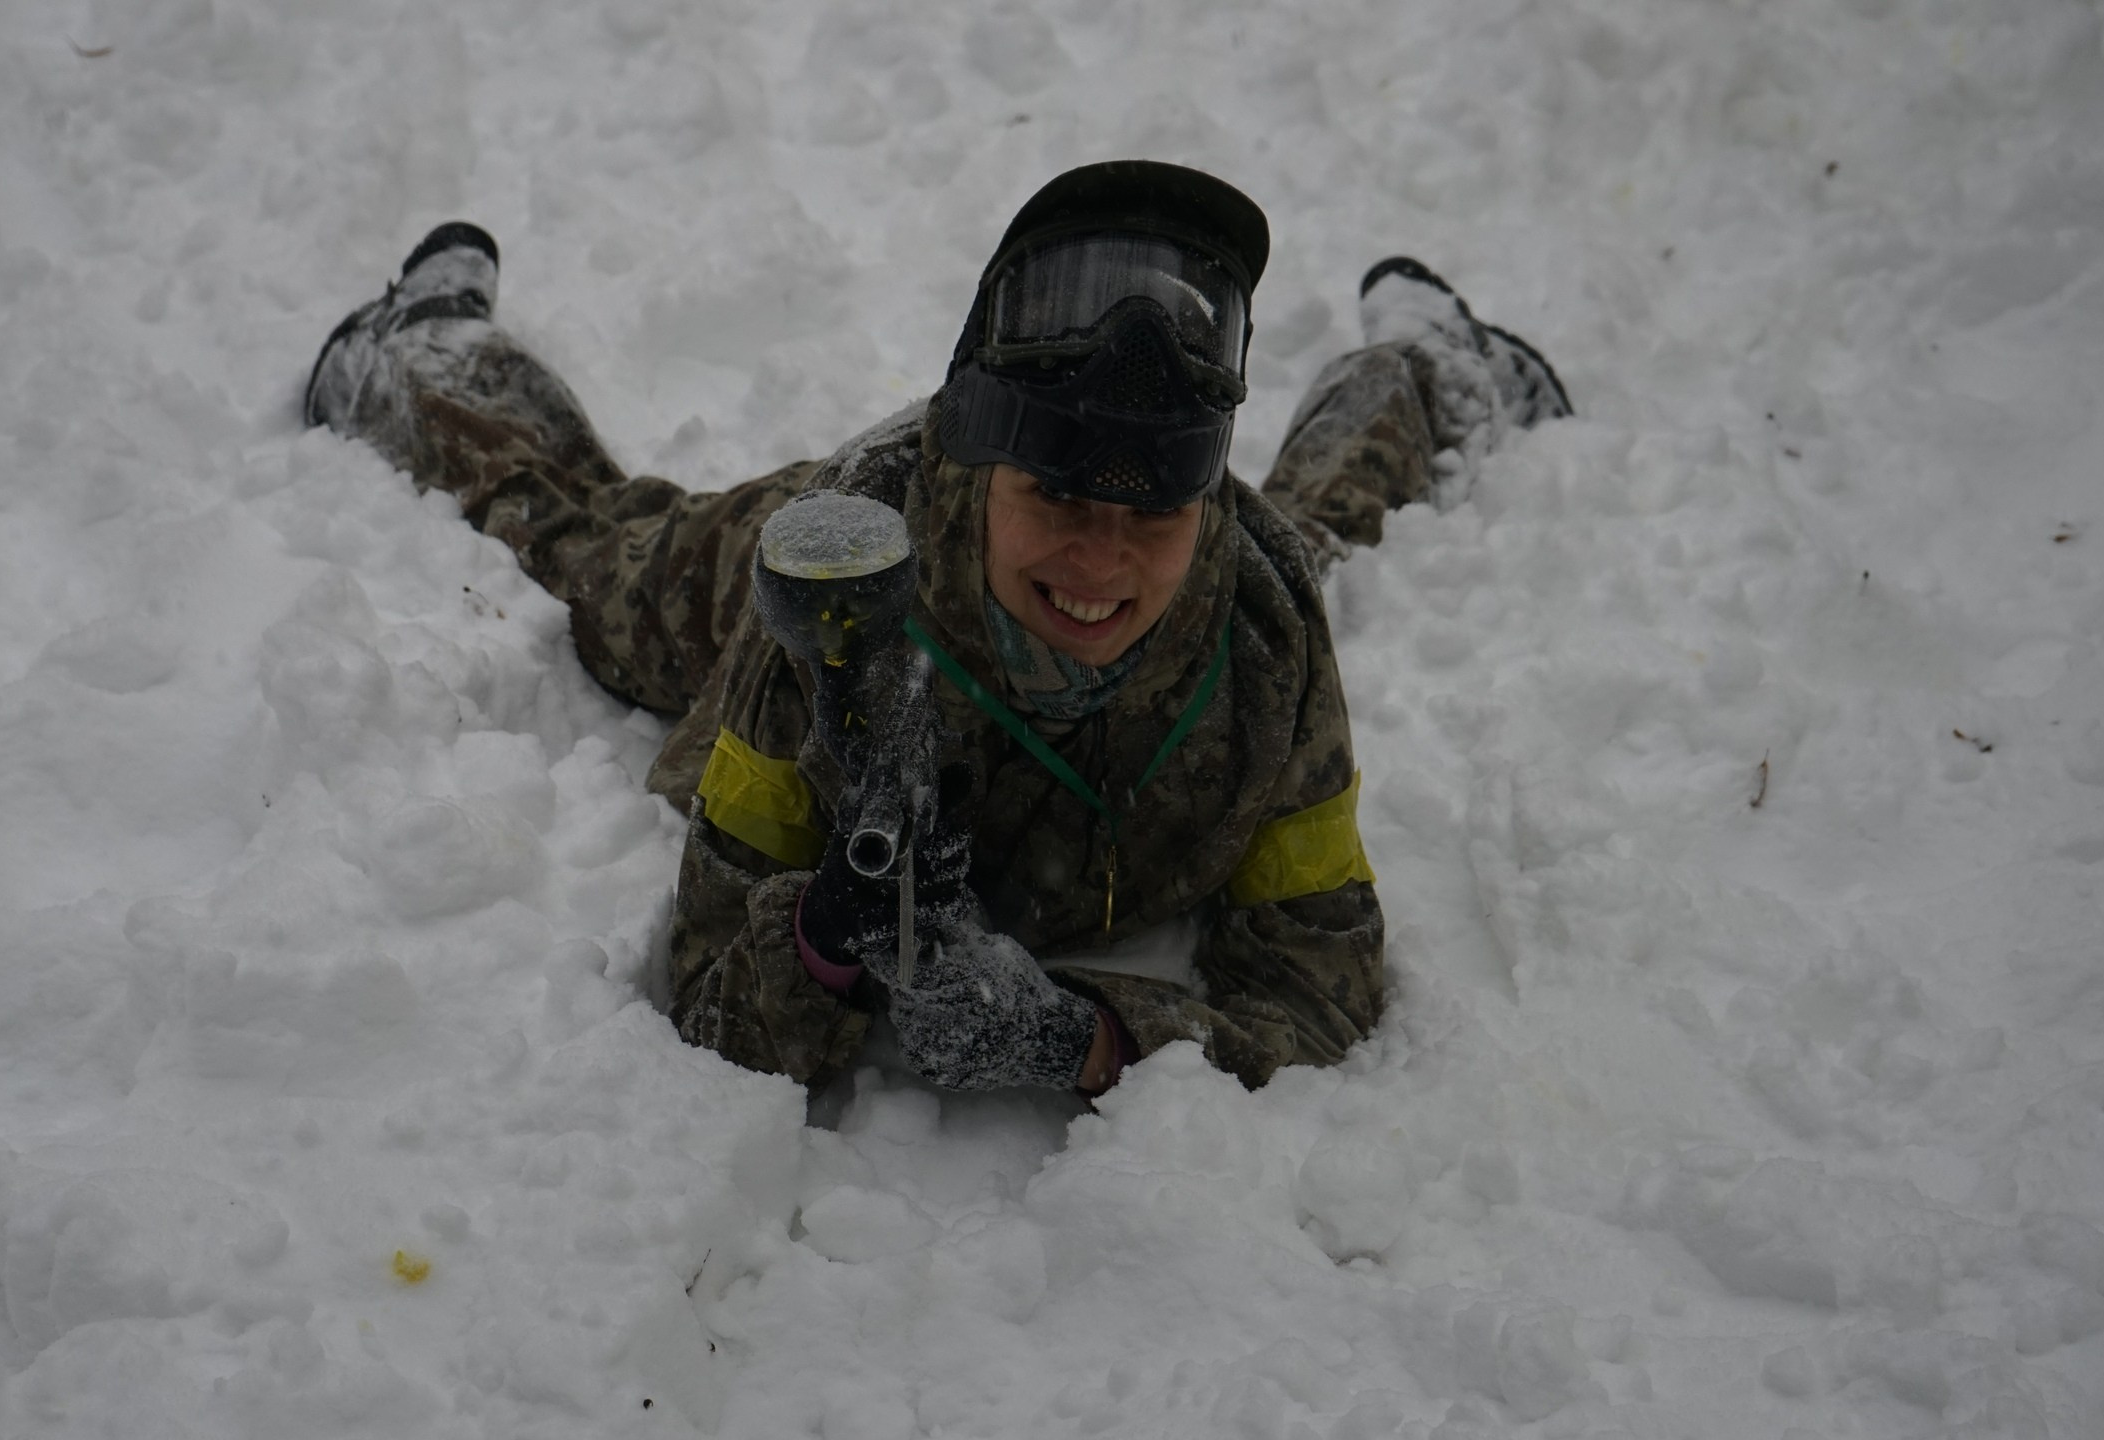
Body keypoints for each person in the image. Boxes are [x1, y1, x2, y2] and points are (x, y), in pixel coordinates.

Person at [304, 162, 1569, 1095]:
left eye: (1155, 514)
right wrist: (821, 945)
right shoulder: (833, 606)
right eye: (1058, 497)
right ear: (986, 471)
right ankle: (427, 349)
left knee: (1325, 526)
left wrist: (1086, 1037)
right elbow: (706, 989)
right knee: (590, 555)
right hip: (807, 552)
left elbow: (1317, 987)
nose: (1100, 562)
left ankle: (1426, 362)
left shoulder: (1259, 621)